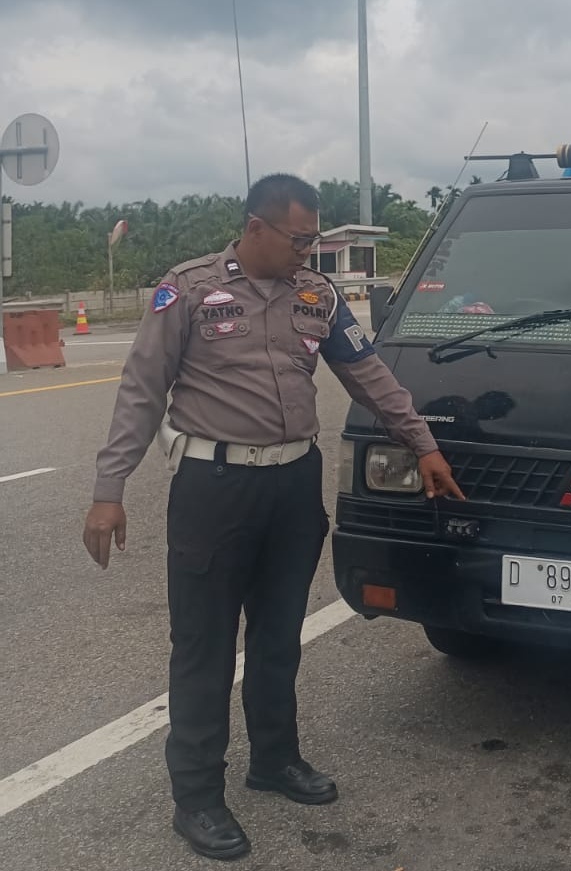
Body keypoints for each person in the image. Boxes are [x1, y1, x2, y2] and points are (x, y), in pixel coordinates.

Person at [82, 173, 464, 861]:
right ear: (256, 227)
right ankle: (196, 797)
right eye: (299, 238)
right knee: (202, 647)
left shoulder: (316, 296)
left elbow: (367, 374)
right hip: (214, 486)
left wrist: (423, 444)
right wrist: (110, 488)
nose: (308, 252)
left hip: (293, 483)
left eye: (314, 239)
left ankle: (274, 759)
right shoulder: (191, 288)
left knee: (279, 635)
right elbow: (142, 389)